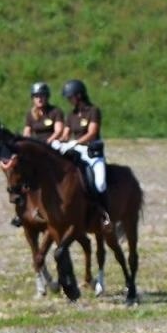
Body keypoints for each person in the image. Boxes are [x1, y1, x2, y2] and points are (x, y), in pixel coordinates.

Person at [55, 79, 111, 228]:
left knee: (100, 184)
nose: (68, 100)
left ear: (78, 96)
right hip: (78, 151)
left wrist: (76, 142)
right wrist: (59, 142)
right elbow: (66, 134)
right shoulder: (71, 115)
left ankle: (105, 214)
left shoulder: (93, 111)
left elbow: (92, 133)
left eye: (70, 97)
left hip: (92, 152)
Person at [10, 82, 66, 226]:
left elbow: (58, 131)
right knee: (20, 174)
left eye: (42, 96)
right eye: (36, 96)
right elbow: (27, 132)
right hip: (35, 149)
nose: (39, 99)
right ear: (33, 98)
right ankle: (20, 211)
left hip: (51, 146)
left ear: (47, 97)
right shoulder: (31, 114)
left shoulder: (55, 112)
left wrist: (47, 143)